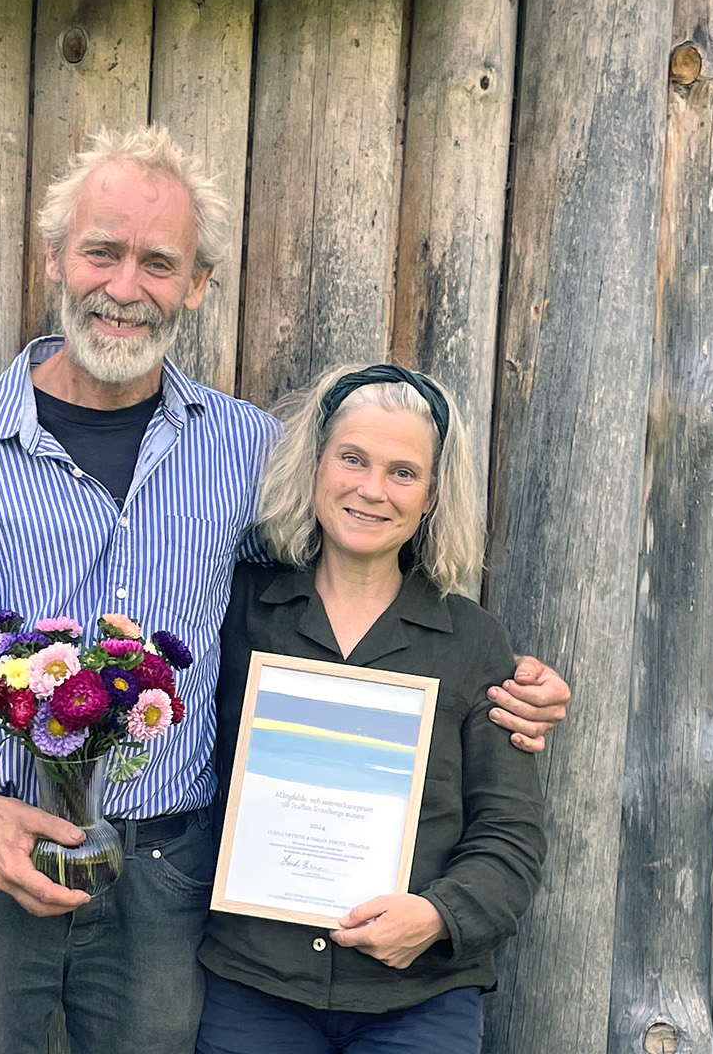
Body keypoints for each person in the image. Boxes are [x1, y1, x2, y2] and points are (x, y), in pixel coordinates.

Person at [0, 126, 568, 1054]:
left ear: (196, 286)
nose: (124, 287)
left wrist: (515, 687)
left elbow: (350, 583)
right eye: (101, 251)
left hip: (166, 876)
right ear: (55, 258)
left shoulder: (249, 455)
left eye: (159, 263)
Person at [196, 364, 545, 1054]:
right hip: (254, 987)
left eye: (403, 472)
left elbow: (511, 836)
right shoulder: (233, 611)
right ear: (316, 464)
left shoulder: (474, 644)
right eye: (352, 458)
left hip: (417, 998)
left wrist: (439, 915)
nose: (371, 489)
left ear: (433, 495)